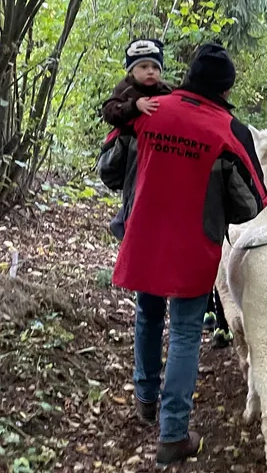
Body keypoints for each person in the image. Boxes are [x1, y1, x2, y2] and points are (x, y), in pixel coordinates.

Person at [106, 42, 267, 466]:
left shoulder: (148, 109)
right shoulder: (229, 129)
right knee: (182, 333)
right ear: (226, 88)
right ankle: (173, 433)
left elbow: (109, 170)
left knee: (147, 313)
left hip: (143, 235)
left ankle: (145, 397)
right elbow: (252, 203)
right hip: (194, 244)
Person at [98, 38, 232, 346]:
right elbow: (111, 113)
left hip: (149, 216)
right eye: (143, 67)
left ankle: (146, 390)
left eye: (154, 67)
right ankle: (168, 394)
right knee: (182, 323)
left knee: (151, 310)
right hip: (177, 218)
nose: (150, 73)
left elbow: (110, 172)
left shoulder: (167, 96)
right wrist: (134, 109)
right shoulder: (126, 96)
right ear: (131, 71)